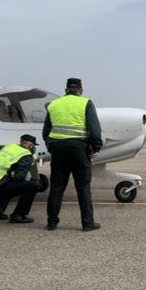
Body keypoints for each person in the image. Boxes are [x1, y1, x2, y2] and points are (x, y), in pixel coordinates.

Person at [43, 77, 103, 231]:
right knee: (83, 186)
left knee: (56, 187)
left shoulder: (53, 105)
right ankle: (87, 223)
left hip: (58, 149)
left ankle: (51, 222)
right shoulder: (85, 103)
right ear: (80, 90)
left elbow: (46, 131)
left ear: (65, 90)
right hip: (78, 149)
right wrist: (95, 147)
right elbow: (95, 128)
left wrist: (51, 147)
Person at [0, 134, 41, 223]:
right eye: (33, 145)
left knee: (10, 184)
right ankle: (19, 215)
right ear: (30, 145)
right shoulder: (27, 155)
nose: (33, 147)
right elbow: (19, 177)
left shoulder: (9, 146)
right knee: (33, 186)